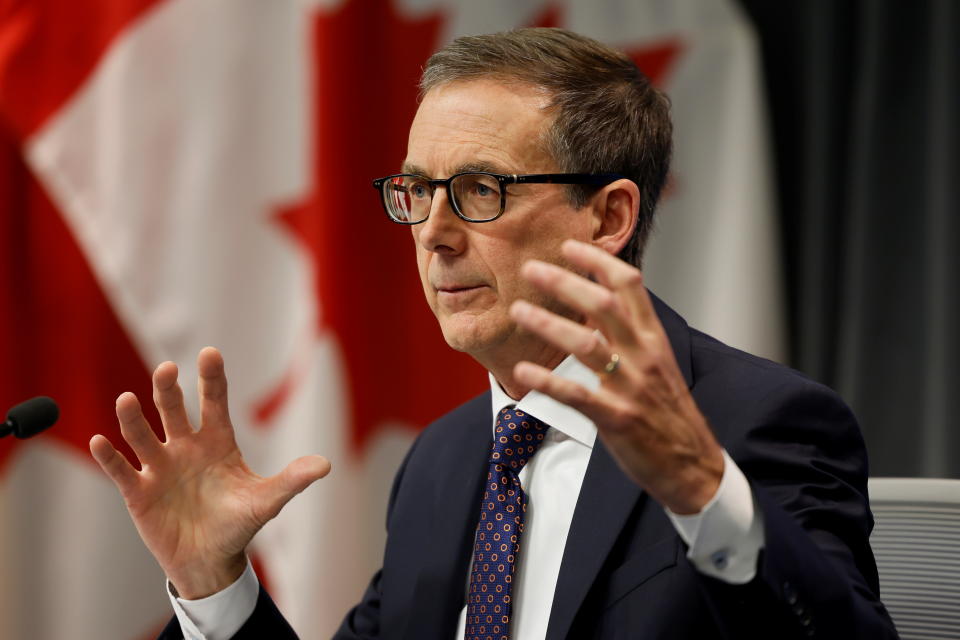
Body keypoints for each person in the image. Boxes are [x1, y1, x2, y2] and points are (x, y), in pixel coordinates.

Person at [90, 28, 898, 639]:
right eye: (416, 190)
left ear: (610, 215)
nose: (433, 232)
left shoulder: (756, 421)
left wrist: (701, 490)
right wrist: (212, 585)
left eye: (480, 189)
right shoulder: (444, 463)